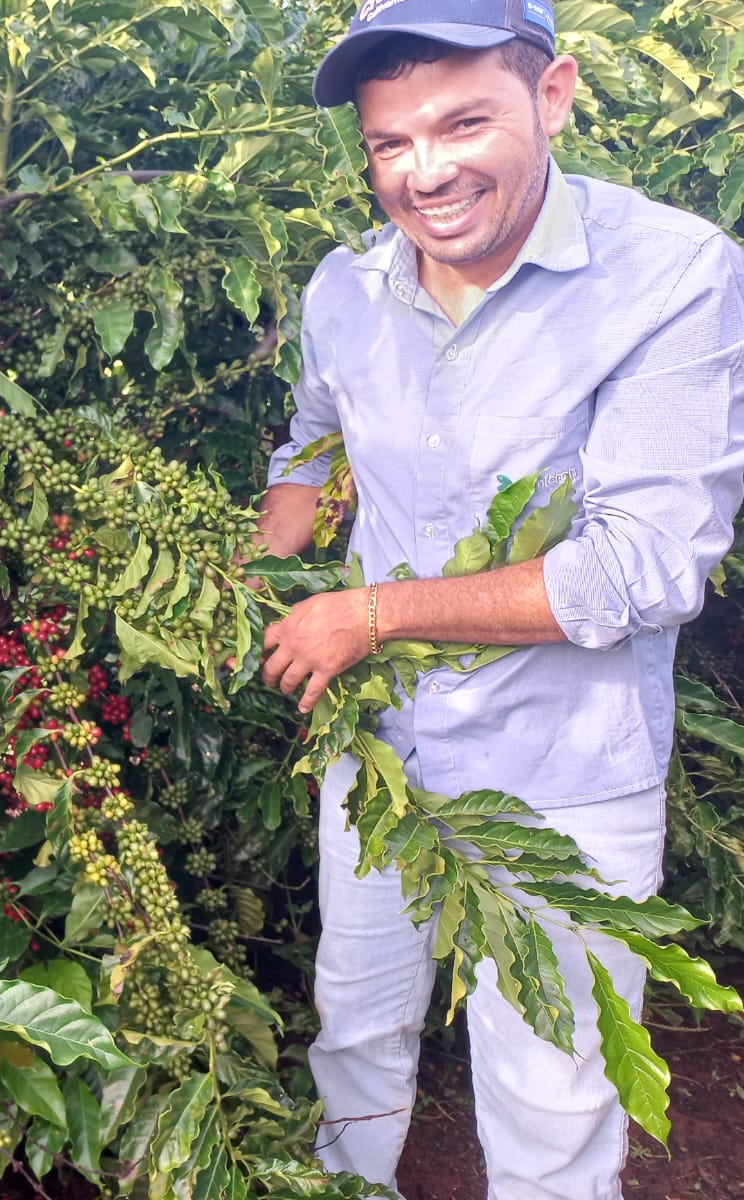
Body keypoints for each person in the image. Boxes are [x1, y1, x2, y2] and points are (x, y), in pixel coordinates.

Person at [255, 1, 744, 1196]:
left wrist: (367, 615)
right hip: (375, 754)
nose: (423, 173)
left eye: (462, 122)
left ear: (556, 93)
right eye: (386, 145)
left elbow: (638, 567)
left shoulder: (673, 275)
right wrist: (257, 582)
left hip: (562, 768)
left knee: (551, 1090)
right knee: (355, 1032)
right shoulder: (344, 288)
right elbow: (306, 449)